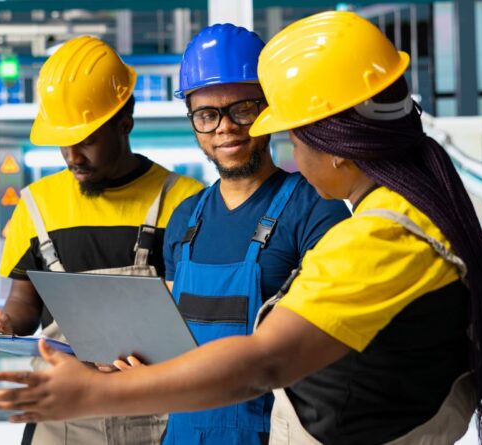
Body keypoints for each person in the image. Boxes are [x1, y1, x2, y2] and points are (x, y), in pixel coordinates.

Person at [0, 11, 482, 445]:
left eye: (284, 130)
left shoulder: (375, 235)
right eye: (207, 114)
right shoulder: (412, 214)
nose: (293, 152)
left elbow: (266, 360)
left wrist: (90, 395)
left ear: (336, 139)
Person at [0, 35, 204, 445]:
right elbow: (23, 305)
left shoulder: (185, 201)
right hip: (63, 416)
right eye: (64, 141)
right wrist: (1, 325)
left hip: (155, 409)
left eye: (88, 139)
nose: (73, 155)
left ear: (124, 122)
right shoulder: (37, 205)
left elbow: (200, 313)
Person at [131, 23, 349, 445]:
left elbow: (329, 348)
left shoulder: (316, 210)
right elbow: (173, 341)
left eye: (243, 108)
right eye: (207, 115)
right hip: (184, 432)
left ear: (270, 110)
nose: (225, 127)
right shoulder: (185, 218)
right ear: (193, 121)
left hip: (274, 434)